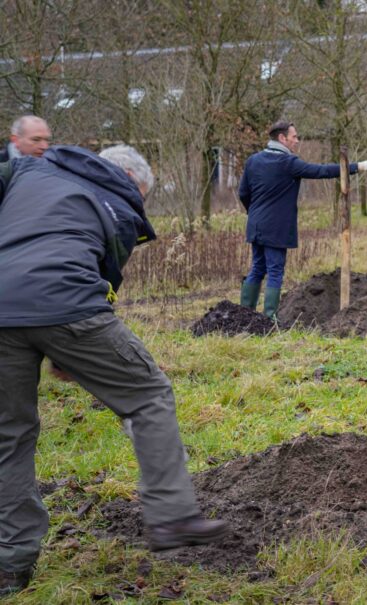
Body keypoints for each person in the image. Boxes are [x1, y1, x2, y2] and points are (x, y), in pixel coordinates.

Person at [0, 145, 229, 595]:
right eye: (141, 192)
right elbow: (102, 283)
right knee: (148, 395)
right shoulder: (120, 201)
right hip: (67, 301)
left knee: (8, 436)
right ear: (128, 176)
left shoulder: (28, 169)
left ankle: (10, 565)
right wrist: (71, 356)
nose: (139, 199)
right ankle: (172, 518)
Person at [237, 121, 367, 318]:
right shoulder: (288, 163)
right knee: (275, 270)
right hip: (276, 228)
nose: (297, 140)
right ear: (282, 138)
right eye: (294, 137)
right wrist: (358, 166)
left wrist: (254, 214)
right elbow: (321, 171)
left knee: (257, 268)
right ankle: (269, 318)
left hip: (255, 225)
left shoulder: (253, 160)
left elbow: (243, 192)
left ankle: (245, 315)